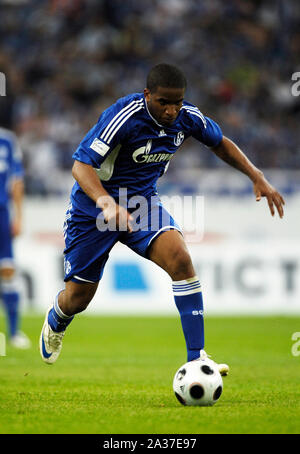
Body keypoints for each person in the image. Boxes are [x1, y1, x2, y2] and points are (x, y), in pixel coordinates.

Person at [39, 63, 284, 371]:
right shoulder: (123, 116)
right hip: (93, 209)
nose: (171, 111)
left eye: (177, 102)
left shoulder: (188, 117)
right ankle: (57, 319)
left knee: (181, 260)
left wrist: (256, 175)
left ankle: (197, 358)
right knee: (78, 299)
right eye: (163, 102)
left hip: (141, 205)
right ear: (147, 95)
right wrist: (105, 202)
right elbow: (80, 165)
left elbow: (219, 143)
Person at [0, 119, 31, 349]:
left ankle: (14, 332)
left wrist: (18, 215)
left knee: (7, 270)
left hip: (2, 213)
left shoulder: (7, 140)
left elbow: (17, 180)